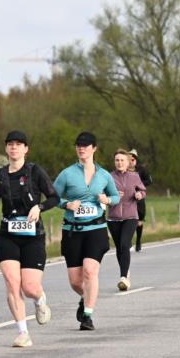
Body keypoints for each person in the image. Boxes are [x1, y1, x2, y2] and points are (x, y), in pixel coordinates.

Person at [0, 130, 57, 347]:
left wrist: (39, 207)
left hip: (33, 236)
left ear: (25, 149)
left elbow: (54, 198)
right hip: (8, 235)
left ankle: (40, 301)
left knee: (30, 287)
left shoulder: (34, 172)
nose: (14, 147)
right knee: (13, 283)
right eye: (10, 144)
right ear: (6, 148)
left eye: (18, 144)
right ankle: (23, 332)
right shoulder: (0, 175)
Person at [53, 132, 119, 331]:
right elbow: (52, 197)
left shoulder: (104, 175)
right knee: (75, 280)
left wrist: (108, 200)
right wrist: (66, 204)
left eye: (86, 145)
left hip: (96, 229)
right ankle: (84, 297)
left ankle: (88, 315)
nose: (82, 148)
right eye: (79, 145)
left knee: (90, 272)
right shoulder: (66, 174)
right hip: (72, 230)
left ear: (94, 148)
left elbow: (115, 196)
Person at [108, 149, 146, 291]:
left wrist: (139, 195)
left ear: (128, 162)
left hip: (131, 216)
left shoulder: (134, 176)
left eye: (122, 160)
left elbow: (143, 190)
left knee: (125, 244)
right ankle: (125, 271)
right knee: (119, 247)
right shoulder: (109, 177)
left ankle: (123, 277)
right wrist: (112, 195)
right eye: (117, 160)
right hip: (113, 218)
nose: (119, 163)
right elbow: (102, 194)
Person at [128, 149, 152, 252]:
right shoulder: (123, 169)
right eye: (129, 159)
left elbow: (149, 181)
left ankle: (138, 241)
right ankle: (128, 241)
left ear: (136, 160)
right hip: (127, 198)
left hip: (139, 198)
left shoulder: (141, 170)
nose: (131, 161)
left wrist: (139, 185)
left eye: (133, 159)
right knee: (128, 220)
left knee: (139, 221)